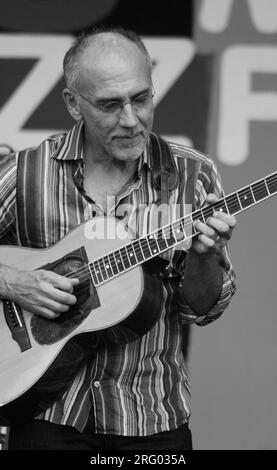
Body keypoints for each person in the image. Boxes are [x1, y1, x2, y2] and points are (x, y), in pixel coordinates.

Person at [0, 27, 236, 450]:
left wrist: (205, 256)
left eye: (141, 98)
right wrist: (13, 282)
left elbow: (204, 308)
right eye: (110, 105)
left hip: (151, 416)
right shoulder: (26, 172)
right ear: (74, 104)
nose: (131, 120)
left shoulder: (192, 175)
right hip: (45, 414)